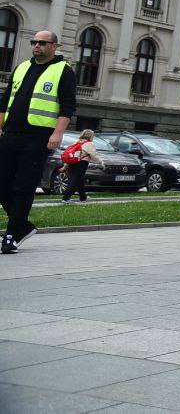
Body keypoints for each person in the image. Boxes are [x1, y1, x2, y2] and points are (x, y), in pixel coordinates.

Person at [0, 30, 77, 255]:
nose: (36, 46)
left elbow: (67, 106)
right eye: (34, 42)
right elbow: (5, 100)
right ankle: (22, 225)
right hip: (11, 133)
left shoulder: (63, 70)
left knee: (24, 185)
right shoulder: (22, 66)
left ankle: (12, 235)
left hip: (38, 136)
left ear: (54, 46)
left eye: (42, 43)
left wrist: (57, 134)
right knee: (2, 182)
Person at [60, 128, 101, 203]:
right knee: (75, 181)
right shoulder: (89, 144)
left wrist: (66, 165)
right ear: (90, 136)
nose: (93, 137)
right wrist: (100, 162)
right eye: (93, 136)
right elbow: (93, 155)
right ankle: (65, 198)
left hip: (73, 163)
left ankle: (83, 197)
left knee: (79, 181)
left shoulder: (78, 142)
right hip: (82, 163)